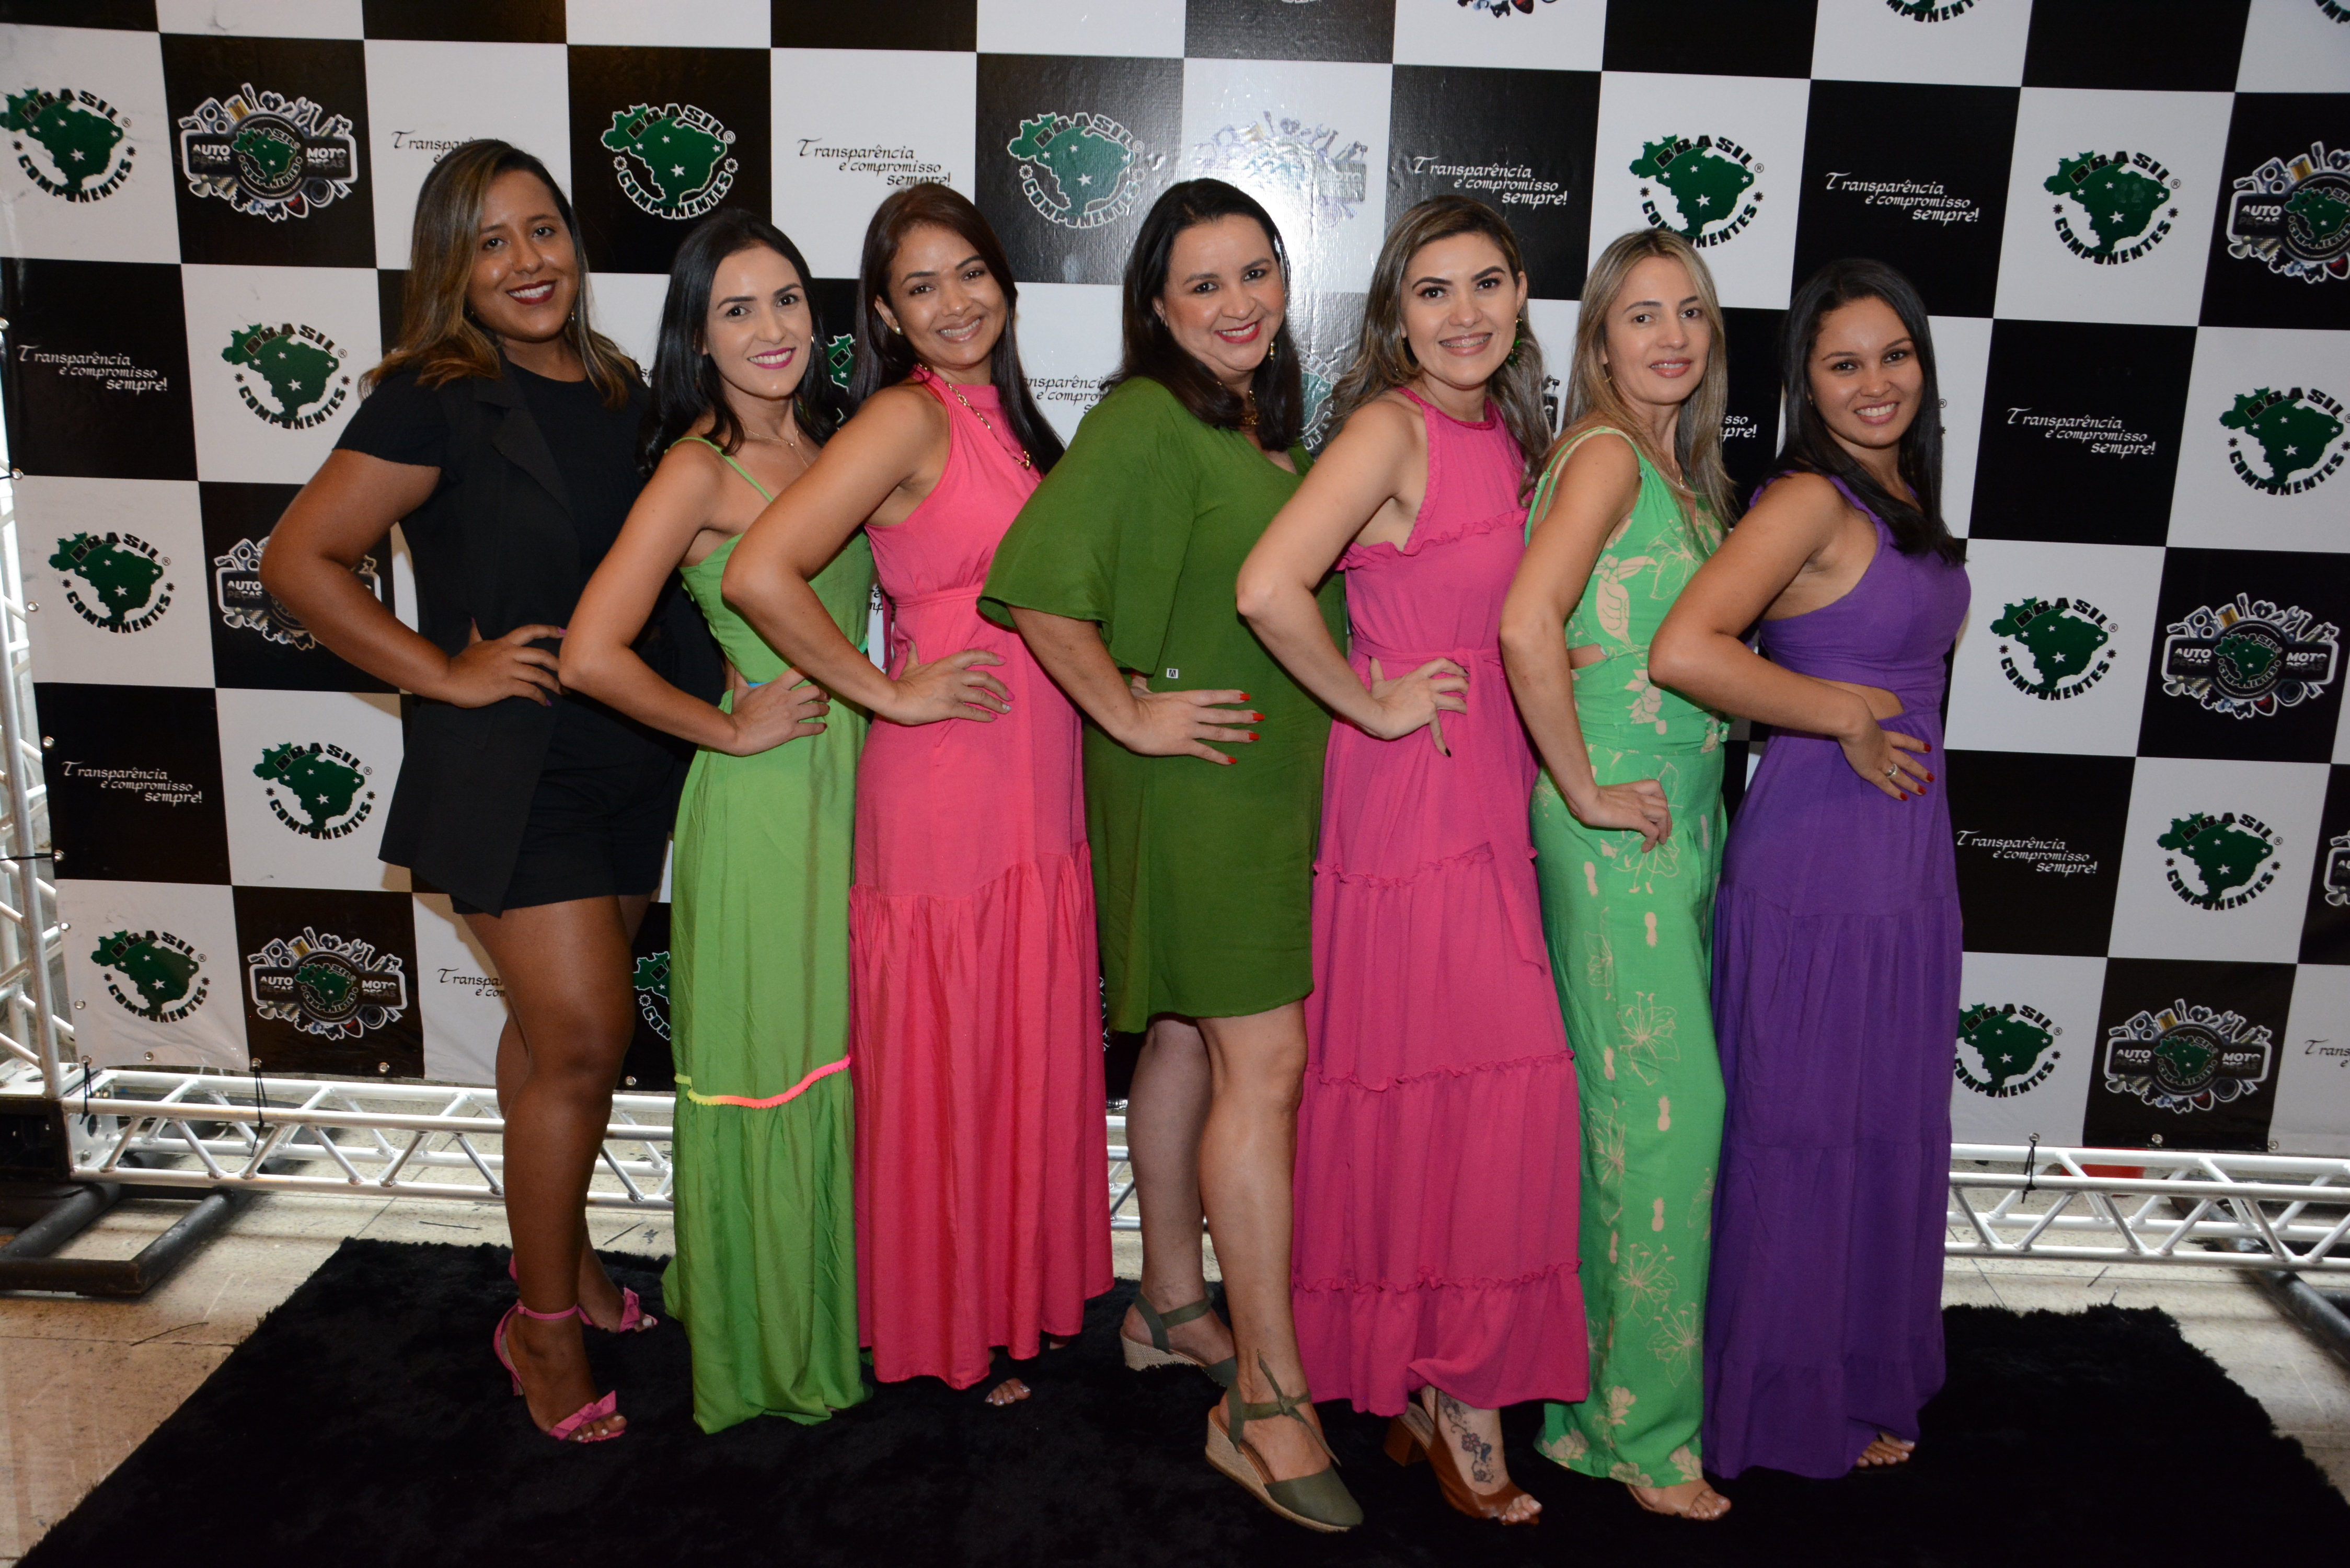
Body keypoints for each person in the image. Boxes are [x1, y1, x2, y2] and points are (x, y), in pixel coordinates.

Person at [260, 140, 720, 1444]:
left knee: (550, 1036)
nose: (527, 263)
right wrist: (442, 674)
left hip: (627, 760)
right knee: (583, 1041)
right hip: (516, 774)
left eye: (543, 231)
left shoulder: (622, 385)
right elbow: (300, 560)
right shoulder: (435, 395)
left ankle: (559, 1263)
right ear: (450, 270)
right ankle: (544, 1331)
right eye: (491, 243)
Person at [982, 178, 1361, 1534]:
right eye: (1204, 284)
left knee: (1192, 1043)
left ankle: (1166, 1303)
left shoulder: (1256, 427)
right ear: (1155, 306)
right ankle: (1266, 1396)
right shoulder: (1146, 416)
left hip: (1255, 787)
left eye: (1257, 272)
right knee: (1268, 1062)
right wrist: (1130, 712)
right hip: (1197, 786)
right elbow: (1036, 582)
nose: (1239, 303)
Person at [721, 183, 1109, 1408]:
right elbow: (759, 572)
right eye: (920, 287)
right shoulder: (903, 416)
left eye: (970, 273)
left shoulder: (1015, 423)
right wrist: (886, 693)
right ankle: (946, 1322)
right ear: (885, 316)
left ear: (1005, 282)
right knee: (953, 1057)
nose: (954, 303)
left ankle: (1002, 1302)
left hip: (1033, 782)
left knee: (1009, 1051)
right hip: (947, 788)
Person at [1235, 195, 1583, 1528]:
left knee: (1460, 1097)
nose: (1464, 314)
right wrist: (1369, 702)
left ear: (1520, 293)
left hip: (1490, 785)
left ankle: (1429, 1382)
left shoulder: (1514, 431)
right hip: (1415, 798)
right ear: (1395, 314)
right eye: (1432, 292)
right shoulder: (1391, 427)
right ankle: (1462, 1397)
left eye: (1486, 284)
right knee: (1480, 1087)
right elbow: (1269, 586)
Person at [1648, 258, 1968, 1480]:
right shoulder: (1805, 501)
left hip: (1903, 863)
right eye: (1843, 364)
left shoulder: (1897, 495)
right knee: (1800, 1129)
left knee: (1879, 1124)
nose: (1874, 383)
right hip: (1820, 856)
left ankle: (1855, 1370)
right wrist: (1838, 711)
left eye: (1894, 355)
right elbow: (1685, 649)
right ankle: (1777, 1396)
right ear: (1806, 383)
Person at [558, 210, 869, 1432]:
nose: (771, 328)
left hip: (859, 786)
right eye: (736, 309)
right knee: (775, 1071)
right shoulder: (697, 469)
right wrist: (728, 729)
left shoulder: (834, 440)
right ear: (696, 336)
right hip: (767, 803)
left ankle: (850, 1309)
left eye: (786, 299)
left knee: (845, 1058)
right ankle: (767, 1348)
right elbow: (591, 652)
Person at [1500, 228, 1736, 1520]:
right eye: (1642, 315)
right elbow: (1525, 621)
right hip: (1618, 832)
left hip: (1679, 824)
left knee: (1632, 1127)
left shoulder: (1681, 470)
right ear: (1597, 338)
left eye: (1690, 311)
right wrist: (1585, 786)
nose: (1671, 336)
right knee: (1665, 1123)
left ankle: (1596, 1416)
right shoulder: (1602, 454)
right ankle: (1642, 1438)